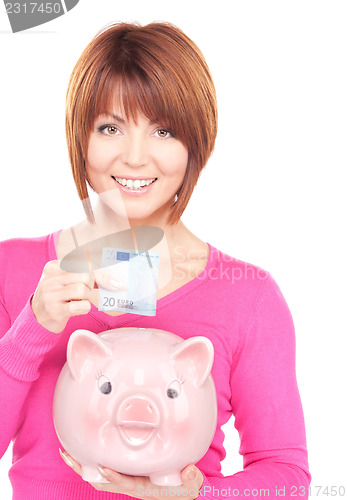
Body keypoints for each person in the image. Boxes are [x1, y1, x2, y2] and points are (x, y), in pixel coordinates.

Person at [0, 21, 311, 500]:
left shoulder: (248, 297)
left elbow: (287, 477)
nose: (136, 157)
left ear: (195, 145)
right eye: (110, 127)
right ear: (80, 138)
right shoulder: (12, 270)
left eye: (163, 131)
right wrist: (32, 328)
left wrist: (195, 495)